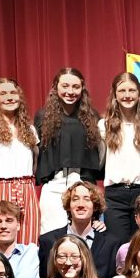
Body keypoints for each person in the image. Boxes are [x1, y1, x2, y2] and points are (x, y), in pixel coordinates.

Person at [35, 67, 103, 234]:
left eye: (75, 87)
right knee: (50, 236)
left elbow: (100, 153)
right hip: (53, 185)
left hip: (82, 184)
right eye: (65, 86)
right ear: (56, 87)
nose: (70, 91)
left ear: (82, 89)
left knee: (82, 237)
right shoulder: (43, 116)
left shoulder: (92, 117)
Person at [0, 77, 41, 243]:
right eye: (3, 93)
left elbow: (35, 165)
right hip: (2, 190)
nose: (9, 97)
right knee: (3, 243)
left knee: (30, 242)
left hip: (27, 190)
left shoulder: (30, 129)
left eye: (13, 92)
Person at [100, 72, 140, 241]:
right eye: (122, 91)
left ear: (139, 93)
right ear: (115, 94)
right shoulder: (104, 125)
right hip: (115, 195)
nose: (127, 95)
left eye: (132, 90)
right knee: (117, 246)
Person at [38, 181, 121, 278]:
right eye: (75, 199)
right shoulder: (48, 241)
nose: (80, 204)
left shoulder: (111, 244)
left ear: (95, 206)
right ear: (68, 205)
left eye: (87, 199)